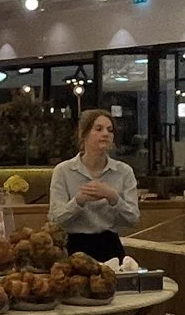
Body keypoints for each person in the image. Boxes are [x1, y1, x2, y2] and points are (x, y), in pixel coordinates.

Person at [48, 109, 140, 261]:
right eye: (98, 129)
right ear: (84, 134)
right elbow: (55, 220)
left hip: (110, 246)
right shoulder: (63, 171)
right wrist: (78, 201)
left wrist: (113, 198)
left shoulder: (124, 171)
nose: (106, 134)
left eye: (110, 130)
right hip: (73, 246)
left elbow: (133, 219)